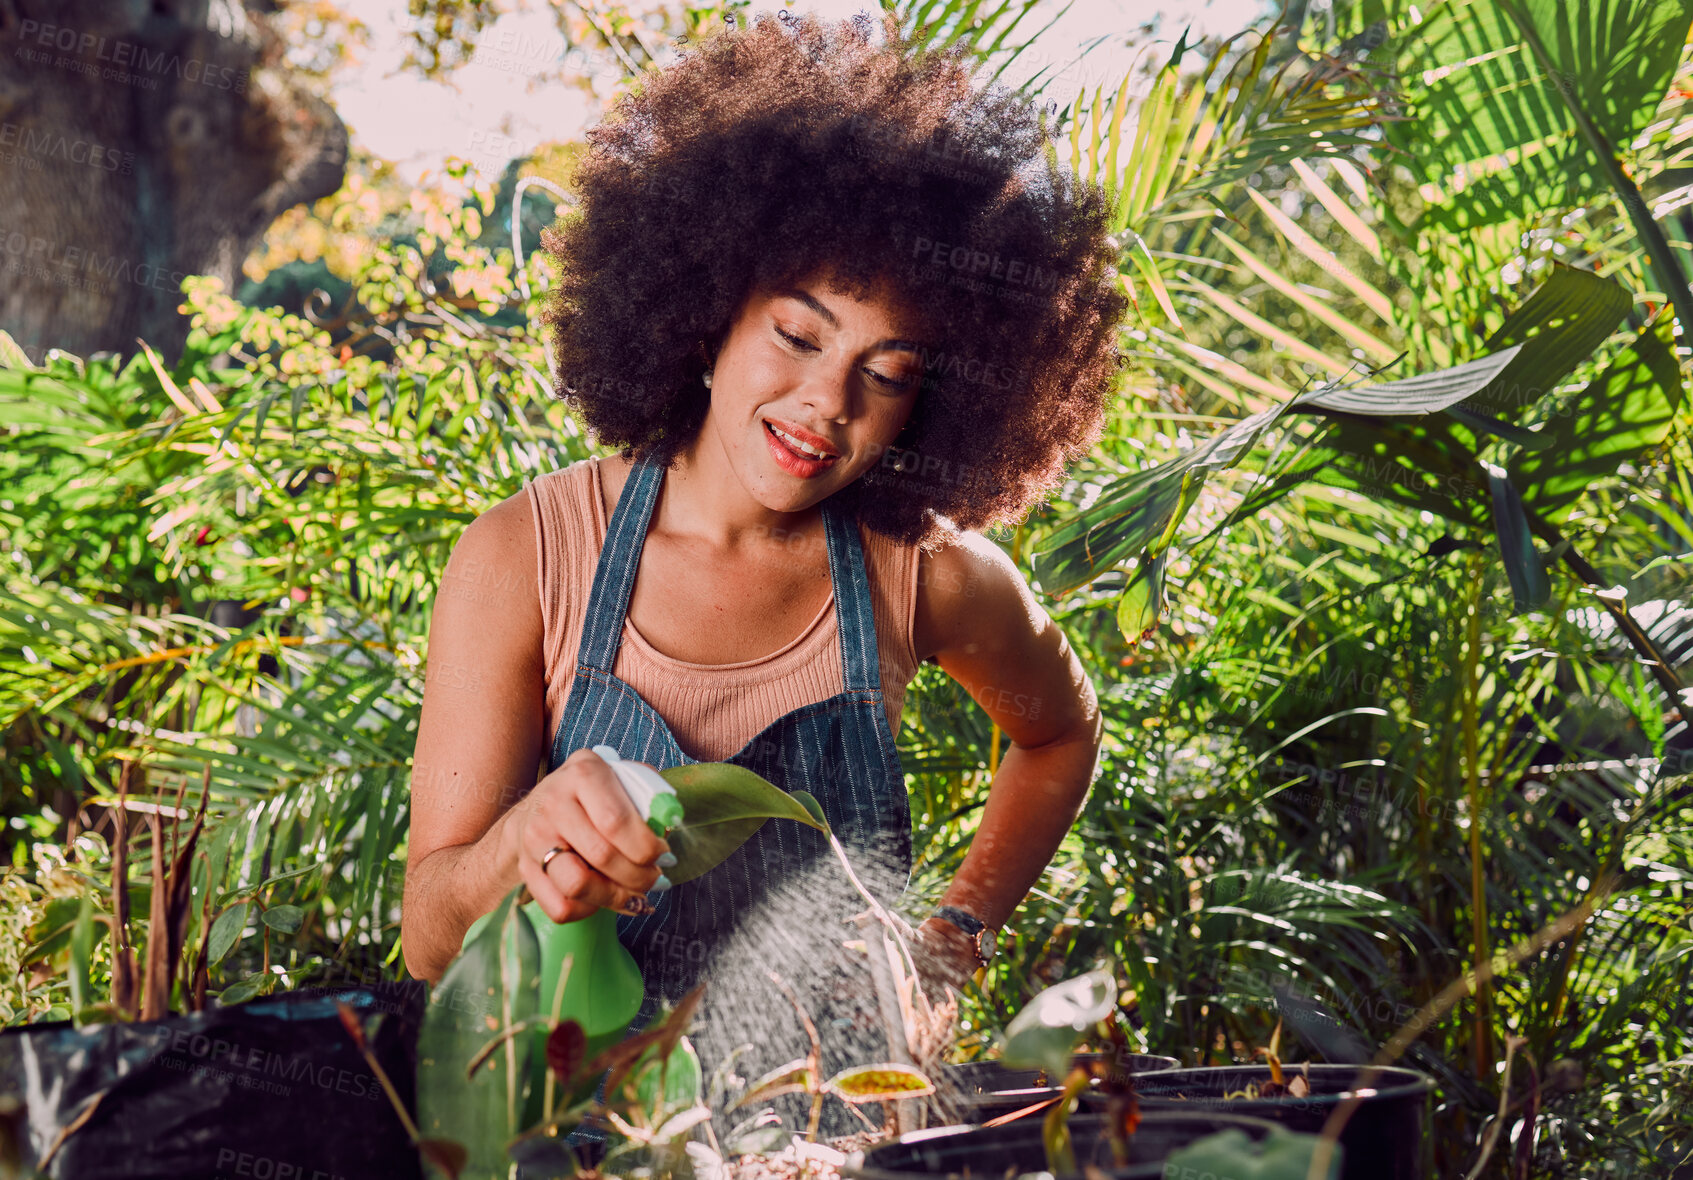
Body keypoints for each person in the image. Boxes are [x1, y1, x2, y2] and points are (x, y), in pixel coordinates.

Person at [399, 7, 1125, 1145]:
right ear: (705, 316)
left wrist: (952, 940)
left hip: (840, 1143)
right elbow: (433, 935)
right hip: (591, 1150)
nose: (825, 405)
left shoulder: (922, 577)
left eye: (882, 374)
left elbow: (1060, 734)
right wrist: (520, 846)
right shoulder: (525, 557)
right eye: (796, 336)